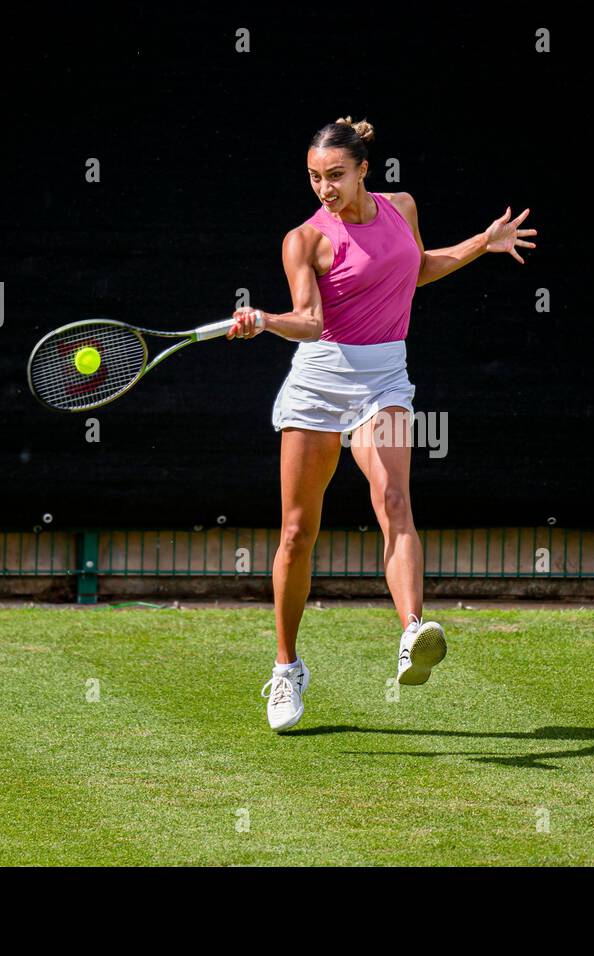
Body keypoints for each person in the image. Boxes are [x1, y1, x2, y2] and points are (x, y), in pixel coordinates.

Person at [226, 116, 536, 731]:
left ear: (365, 169)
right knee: (296, 533)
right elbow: (311, 320)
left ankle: (412, 630)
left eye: (336, 175)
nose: (325, 188)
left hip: (384, 381)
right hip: (319, 381)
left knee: (394, 497)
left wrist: (482, 242)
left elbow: (416, 269)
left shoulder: (401, 207)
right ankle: (287, 668)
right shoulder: (304, 240)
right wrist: (265, 320)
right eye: (315, 177)